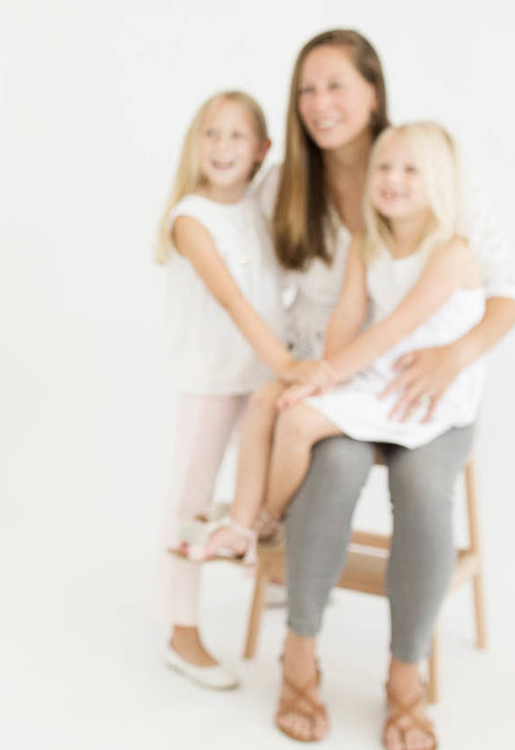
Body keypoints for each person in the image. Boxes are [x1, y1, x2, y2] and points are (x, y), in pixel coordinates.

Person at [230, 30, 515, 749]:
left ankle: (405, 675)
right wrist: (299, 370)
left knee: (422, 488)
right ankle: (299, 651)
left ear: (373, 92)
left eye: (336, 85)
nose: (319, 103)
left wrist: (455, 355)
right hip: (350, 377)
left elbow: (507, 294)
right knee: (332, 467)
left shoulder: (430, 171)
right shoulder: (288, 186)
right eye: (306, 89)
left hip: (430, 387)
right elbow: (258, 276)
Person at [201, 122, 486, 560]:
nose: (392, 178)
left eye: (411, 170)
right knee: (264, 399)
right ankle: (239, 522)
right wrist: (321, 374)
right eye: (384, 167)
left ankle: (268, 520)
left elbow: (396, 328)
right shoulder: (366, 242)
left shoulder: (452, 253)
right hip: (369, 369)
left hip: (415, 386)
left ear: (439, 182)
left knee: (297, 420)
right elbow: (347, 316)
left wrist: (327, 378)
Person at [153, 91, 329, 689]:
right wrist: (288, 363)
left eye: (237, 135)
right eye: (212, 133)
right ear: (195, 142)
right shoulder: (191, 217)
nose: (222, 147)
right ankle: (181, 630)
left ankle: (266, 565)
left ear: (261, 149)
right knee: (191, 498)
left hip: (262, 375)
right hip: (213, 376)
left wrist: (284, 366)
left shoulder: (260, 204)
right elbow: (231, 299)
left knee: (277, 481)